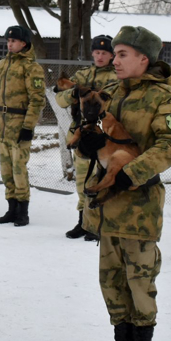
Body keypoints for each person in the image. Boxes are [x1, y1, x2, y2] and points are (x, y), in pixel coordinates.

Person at [84, 26, 171, 341]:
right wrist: (88, 142)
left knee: (140, 279)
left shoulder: (165, 97)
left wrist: (133, 172)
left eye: (122, 55)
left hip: (139, 206)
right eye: (114, 54)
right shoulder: (112, 92)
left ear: (144, 59)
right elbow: (98, 131)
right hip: (107, 206)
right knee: (111, 279)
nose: (114, 61)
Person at [55, 35, 118, 241]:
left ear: (112, 55)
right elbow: (60, 99)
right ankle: (83, 221)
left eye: (105, 53)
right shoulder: (82, 75)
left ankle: (98, 223)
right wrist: (73, 94)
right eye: (97, 52)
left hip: (105, 135)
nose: (100, 56)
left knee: (101, 179)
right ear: (92, 53)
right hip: (81, 133)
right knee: (82, 179)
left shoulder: (117, 77)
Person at [0, 25, 46, 227]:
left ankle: (23, 211)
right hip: (4, 125)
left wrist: (28, 126)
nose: (10, 44)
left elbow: (37, 99)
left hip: (19, 124)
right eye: (8, 40)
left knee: (18, 169)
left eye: (13, 41)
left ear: (24, 43)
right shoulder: (1, 65)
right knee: (6, 170)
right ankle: (11, 209)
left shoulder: (32, 67)